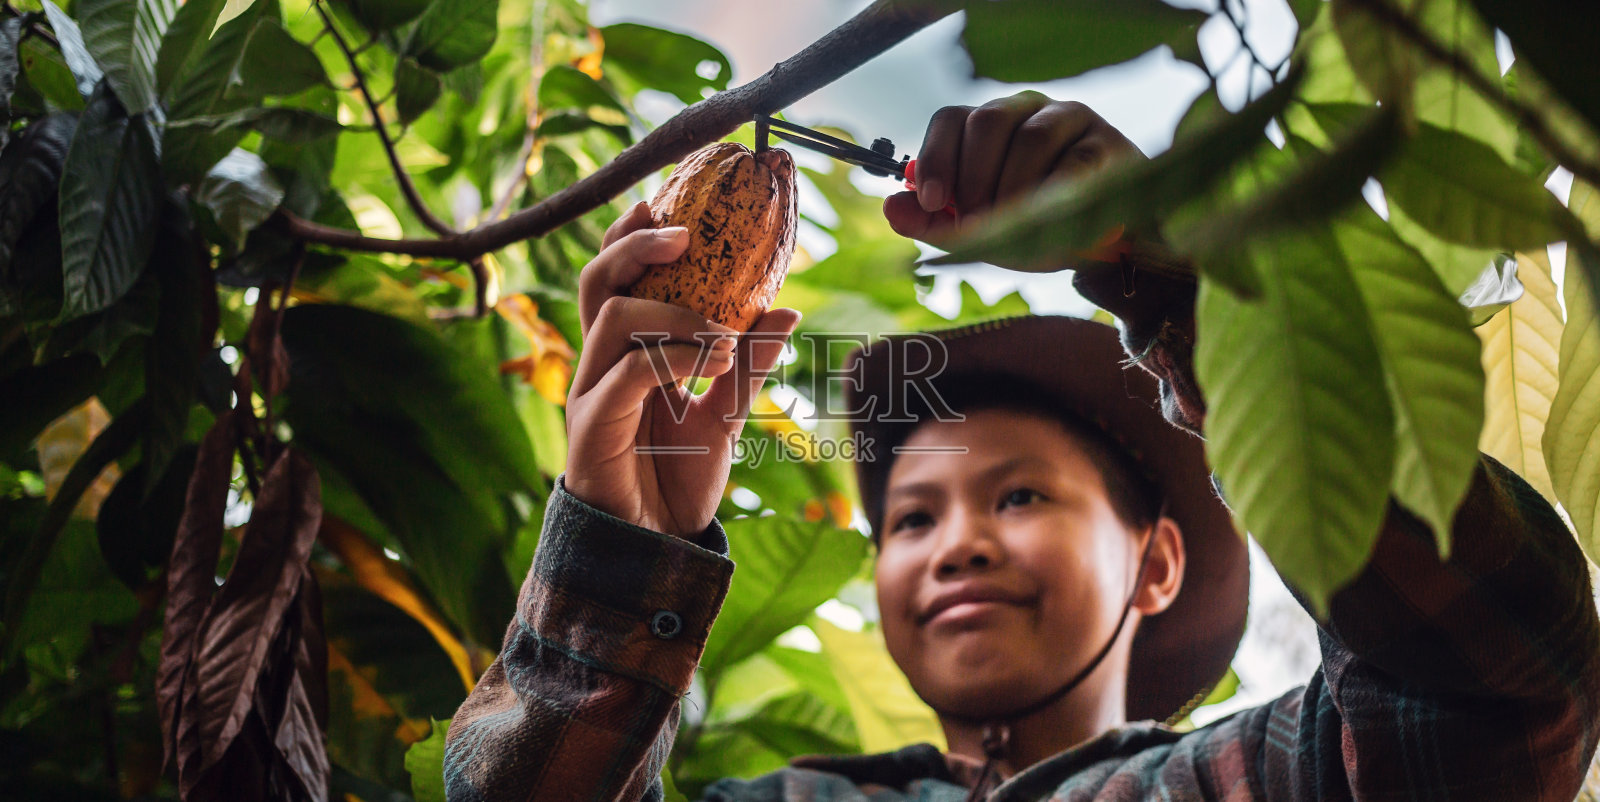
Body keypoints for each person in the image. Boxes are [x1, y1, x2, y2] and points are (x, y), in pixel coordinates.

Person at [442, 93, 1600, 801]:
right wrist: (622, 552)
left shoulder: (1260, 779)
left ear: (1157, 561)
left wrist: (1179, 272)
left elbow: (1508, 687)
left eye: (1020, 496)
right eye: (911, 517)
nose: (955, 544)